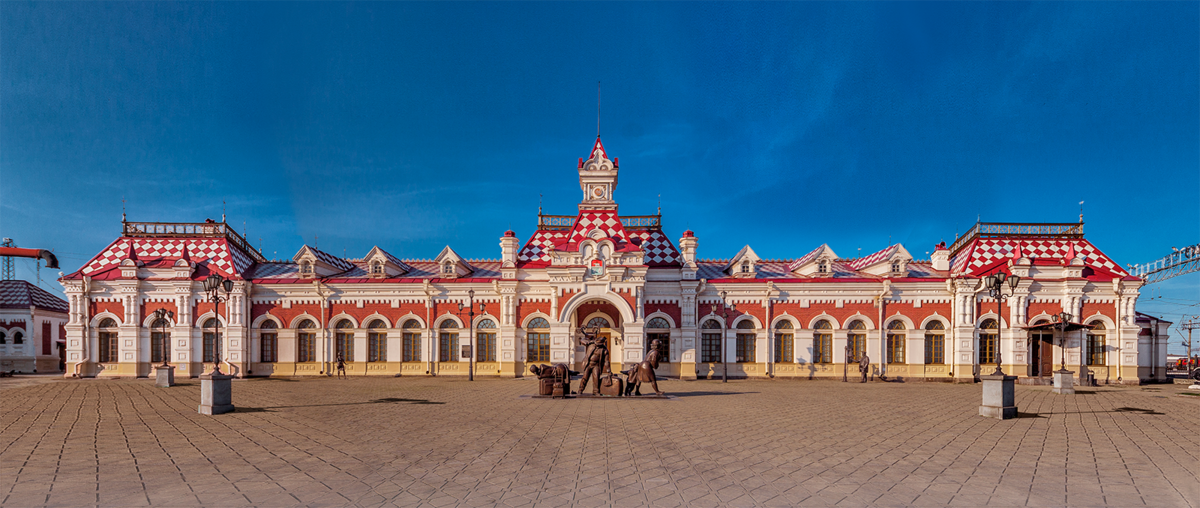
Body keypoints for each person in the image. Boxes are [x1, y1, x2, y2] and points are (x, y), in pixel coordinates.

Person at [578, 330, 610, 395]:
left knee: (596, 378)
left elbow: (606, 361)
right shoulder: (591, 344)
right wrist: (585, 337)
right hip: (588, 364)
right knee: (585, 377)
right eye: (597, 344)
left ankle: (596, 391)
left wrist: (609, 370)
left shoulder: (604, 350)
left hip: (596, 365)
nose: (597, 345)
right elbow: (582, 341)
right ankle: (580, 390)